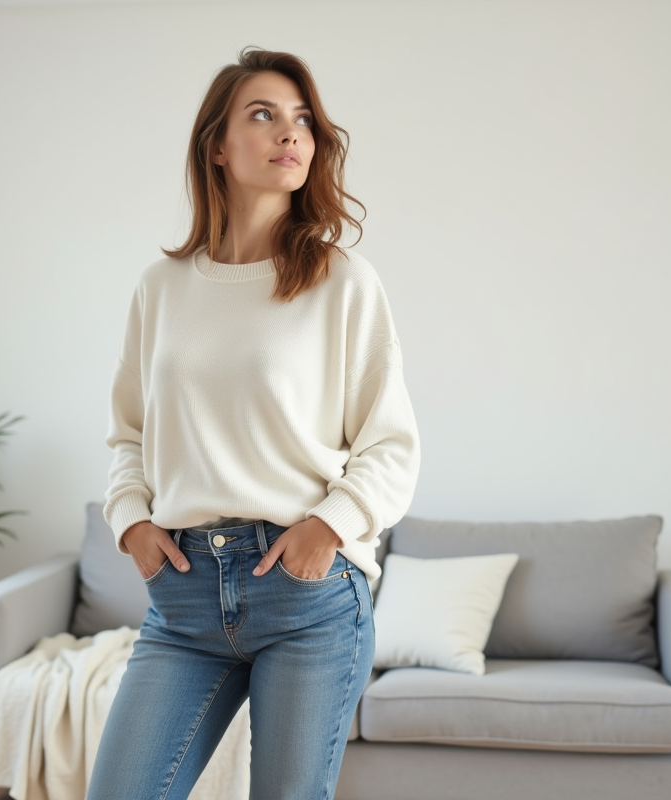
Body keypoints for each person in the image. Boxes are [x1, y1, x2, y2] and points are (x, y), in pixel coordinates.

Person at [87, 45, 421, 800]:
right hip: (183, 599)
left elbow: (391, 445)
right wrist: (131, 524)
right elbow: (128, 437)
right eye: (264, 115)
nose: (290, 134)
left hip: (304, 594)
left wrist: (327, 530)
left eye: (302, 120)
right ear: (217, 145)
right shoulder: (161, 288)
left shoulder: (342, 282)